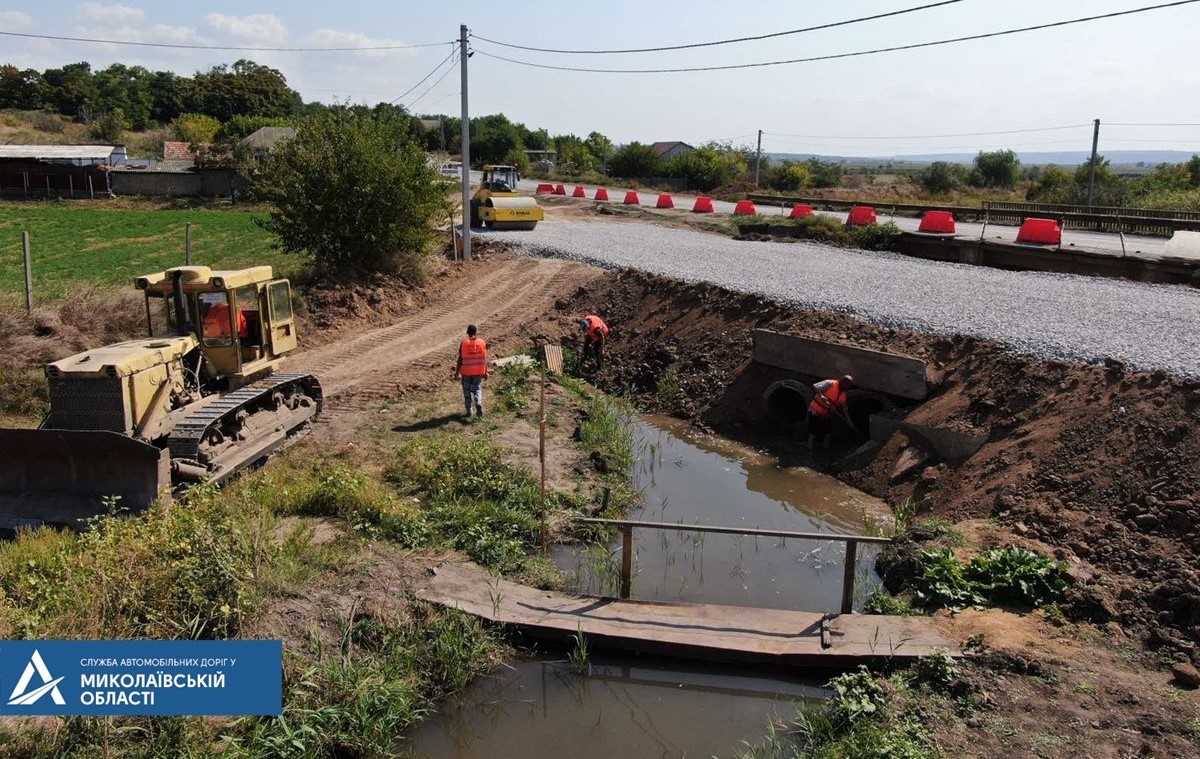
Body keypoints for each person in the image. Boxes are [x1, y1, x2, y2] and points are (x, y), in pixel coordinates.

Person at [806, 374, 854, 451]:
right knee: (813, 434)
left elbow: (844, 408)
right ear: (842, 381)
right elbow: (815, 386)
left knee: (828, 434)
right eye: (846, 384)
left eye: (848, 385)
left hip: (826, 415)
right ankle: (809, 450)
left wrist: (848, 421)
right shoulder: (830, 383)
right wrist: (821, 395)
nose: (847, 386)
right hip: (815, 411)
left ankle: (826, 451)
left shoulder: (843, 395)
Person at [454, 324, 488, 421]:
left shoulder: (464, 343)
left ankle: (469, 412)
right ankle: (478, 402)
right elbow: (484, 358)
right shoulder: (482, 342)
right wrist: (485, 371)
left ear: (467, 333)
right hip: (479, 370)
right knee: (477, 388)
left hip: (466, 371)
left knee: (467, 391)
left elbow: (460, 359)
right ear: (476, 332)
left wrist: (456, 373)